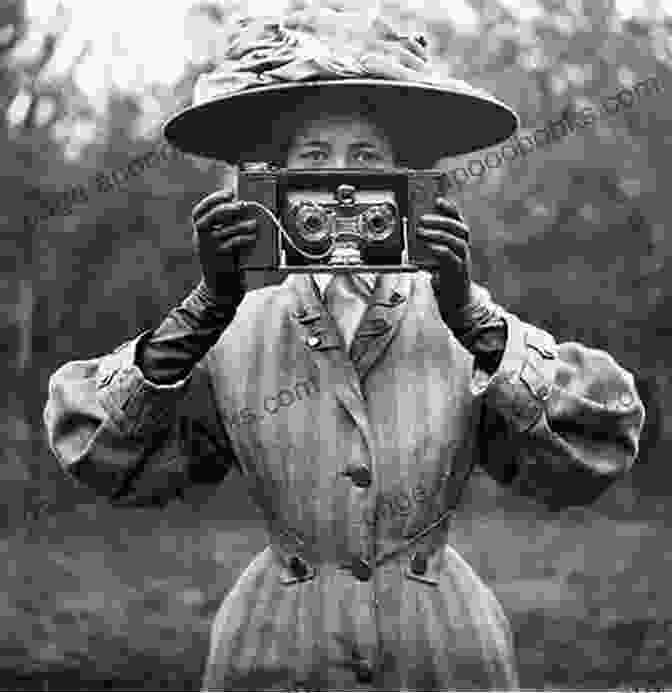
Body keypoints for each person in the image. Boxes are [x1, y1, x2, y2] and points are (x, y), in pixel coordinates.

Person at [43, 16, 645, 691]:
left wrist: (475, 320)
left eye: (365, 158)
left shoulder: (459, 318)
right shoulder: (236, 326)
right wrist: (205, 307)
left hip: (441, 653)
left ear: (405, 180)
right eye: (314, 158)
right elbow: (99, 453)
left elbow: (599, 445)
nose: (342, 183)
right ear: (269, 183)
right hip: (274, 650)